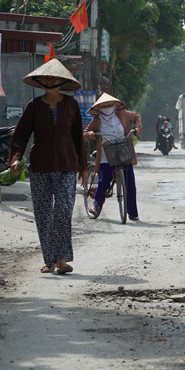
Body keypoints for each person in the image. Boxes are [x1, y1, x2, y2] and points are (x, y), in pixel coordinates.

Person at [7, 58, 87, 274]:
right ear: (40, 81)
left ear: (62, 81)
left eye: (53, 77)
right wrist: (15, 158)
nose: (49, 79)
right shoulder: (33, 107)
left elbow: (77, 137)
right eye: (46, 77)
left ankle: (61, 259)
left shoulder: (71, 105)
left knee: (62, 209)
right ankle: (50, 260)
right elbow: (21, 136)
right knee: (43, 213)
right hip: (40, 166)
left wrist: (84, 166)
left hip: (67, 165)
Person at [83, 93, 143, 221]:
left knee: (130, 183)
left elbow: (137, 116)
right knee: (104, 180)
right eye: (104, 105)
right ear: (99, 107)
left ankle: (132, 212)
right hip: (106, 155)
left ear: (115, 104)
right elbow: (85, 132)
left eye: (109, 104)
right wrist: (92, 134)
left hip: (124, 152)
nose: (107, 107)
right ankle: (96, 204)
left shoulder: (124, 114)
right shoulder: (97, 120)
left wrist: (137, 128)